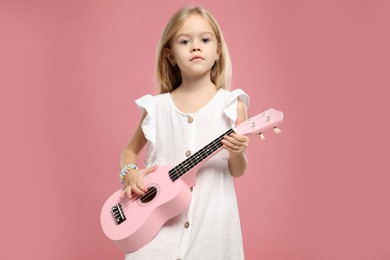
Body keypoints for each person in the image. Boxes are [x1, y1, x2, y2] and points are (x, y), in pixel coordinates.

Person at [120, 6, 250, 260]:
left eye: (205, 39)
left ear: (218, 50)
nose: (195, 47)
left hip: (210, 228)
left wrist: (239, 152)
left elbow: (237, 170)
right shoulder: (156, 108)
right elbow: (129, 151)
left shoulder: (232, 105)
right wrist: (129, 173)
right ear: (169, 55)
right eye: (184, 41)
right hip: (155, 228)